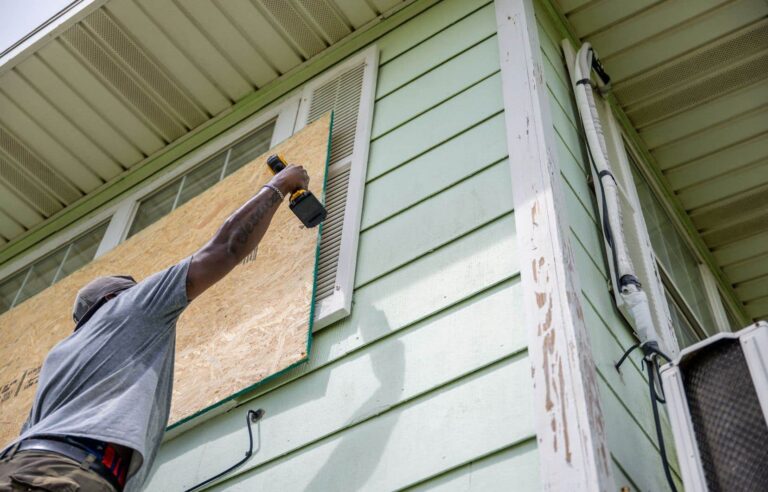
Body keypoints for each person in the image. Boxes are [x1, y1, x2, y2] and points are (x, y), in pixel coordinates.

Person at [0, 164, 310, 492]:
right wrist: (281, 184)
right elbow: (224, 250)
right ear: (113, 297)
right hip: (62, 475)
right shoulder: (127, 309)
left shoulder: (59, 358)